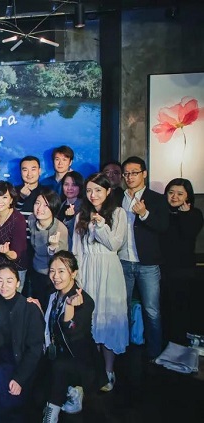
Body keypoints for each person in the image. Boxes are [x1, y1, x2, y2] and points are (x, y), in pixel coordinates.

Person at [73, 172, 128, 392]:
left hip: (109, 270)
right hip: (87, 270)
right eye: (89, 190)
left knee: (109, 319)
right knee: (91, 320)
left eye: (98, 190)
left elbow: (115, 244)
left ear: (108, 191)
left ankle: (109, 370)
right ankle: (94, 371)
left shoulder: (118, 213)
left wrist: (102, 226)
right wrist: (76, 277)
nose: (93, 195)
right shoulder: (81, 215)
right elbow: (76, 249)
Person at [116, 156, 170, 359]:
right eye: (126, 174)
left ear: (144, 174)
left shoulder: (156, 198)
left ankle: (154, 353)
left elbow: (163, 227)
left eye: (134, 173)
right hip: (122, 261)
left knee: (152, 310)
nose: (129, 177)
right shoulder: (118, 197)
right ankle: (123, 350)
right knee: (122, 309)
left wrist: (145, 213)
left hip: (147, 263)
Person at [42, 251, 104, 423]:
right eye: (52, 271)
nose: (55, 276)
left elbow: (73, 335)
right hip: (57, 353)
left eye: (61, 271)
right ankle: (71, 390)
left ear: (74, 273)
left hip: (81, 359)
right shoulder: (52, 294)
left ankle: (52, 414)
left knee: (59, 367)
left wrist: (69, 307)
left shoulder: (85, 301)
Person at [0, 265, 44, 422]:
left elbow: (35, 349)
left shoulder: (30, 307)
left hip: (25, 363)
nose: (4, 286)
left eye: (9, 281)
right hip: (3, 360)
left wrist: (20, 378)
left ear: (18, 283)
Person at [161, 178, 203, 344]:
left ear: (188, 196)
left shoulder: (195, 214)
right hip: (162, 268)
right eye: (171, 192)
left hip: (184, 270)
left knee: (181, 309)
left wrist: (185, 215)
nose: (174, 197)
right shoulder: (162, 213)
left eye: (180, 194)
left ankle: (181, 344)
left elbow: (189, 234)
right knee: (164, 309)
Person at [28, 188, 68, 307]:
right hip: (35, 270)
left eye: (46, 205)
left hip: (51, 276)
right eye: (37, 203)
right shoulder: (31, 220)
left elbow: (61, 261)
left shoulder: (60, 229)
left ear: (53, 207)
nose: (40, 208)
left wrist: (53, 248)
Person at [0, 181, 28, 288]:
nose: (0, 201)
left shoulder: (18, 219)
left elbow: (16, 255)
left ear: (11, 199)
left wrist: (7, 252)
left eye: (4, 197)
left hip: (15, 268)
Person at [56, 171, 83, 250]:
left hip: (74, 250)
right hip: (59, 249)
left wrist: (70, 219)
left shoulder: (83, 207)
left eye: (74, 185)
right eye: (66, 184)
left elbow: (80, 234)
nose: (69, 188)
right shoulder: (59, 205)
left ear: (80, 186)